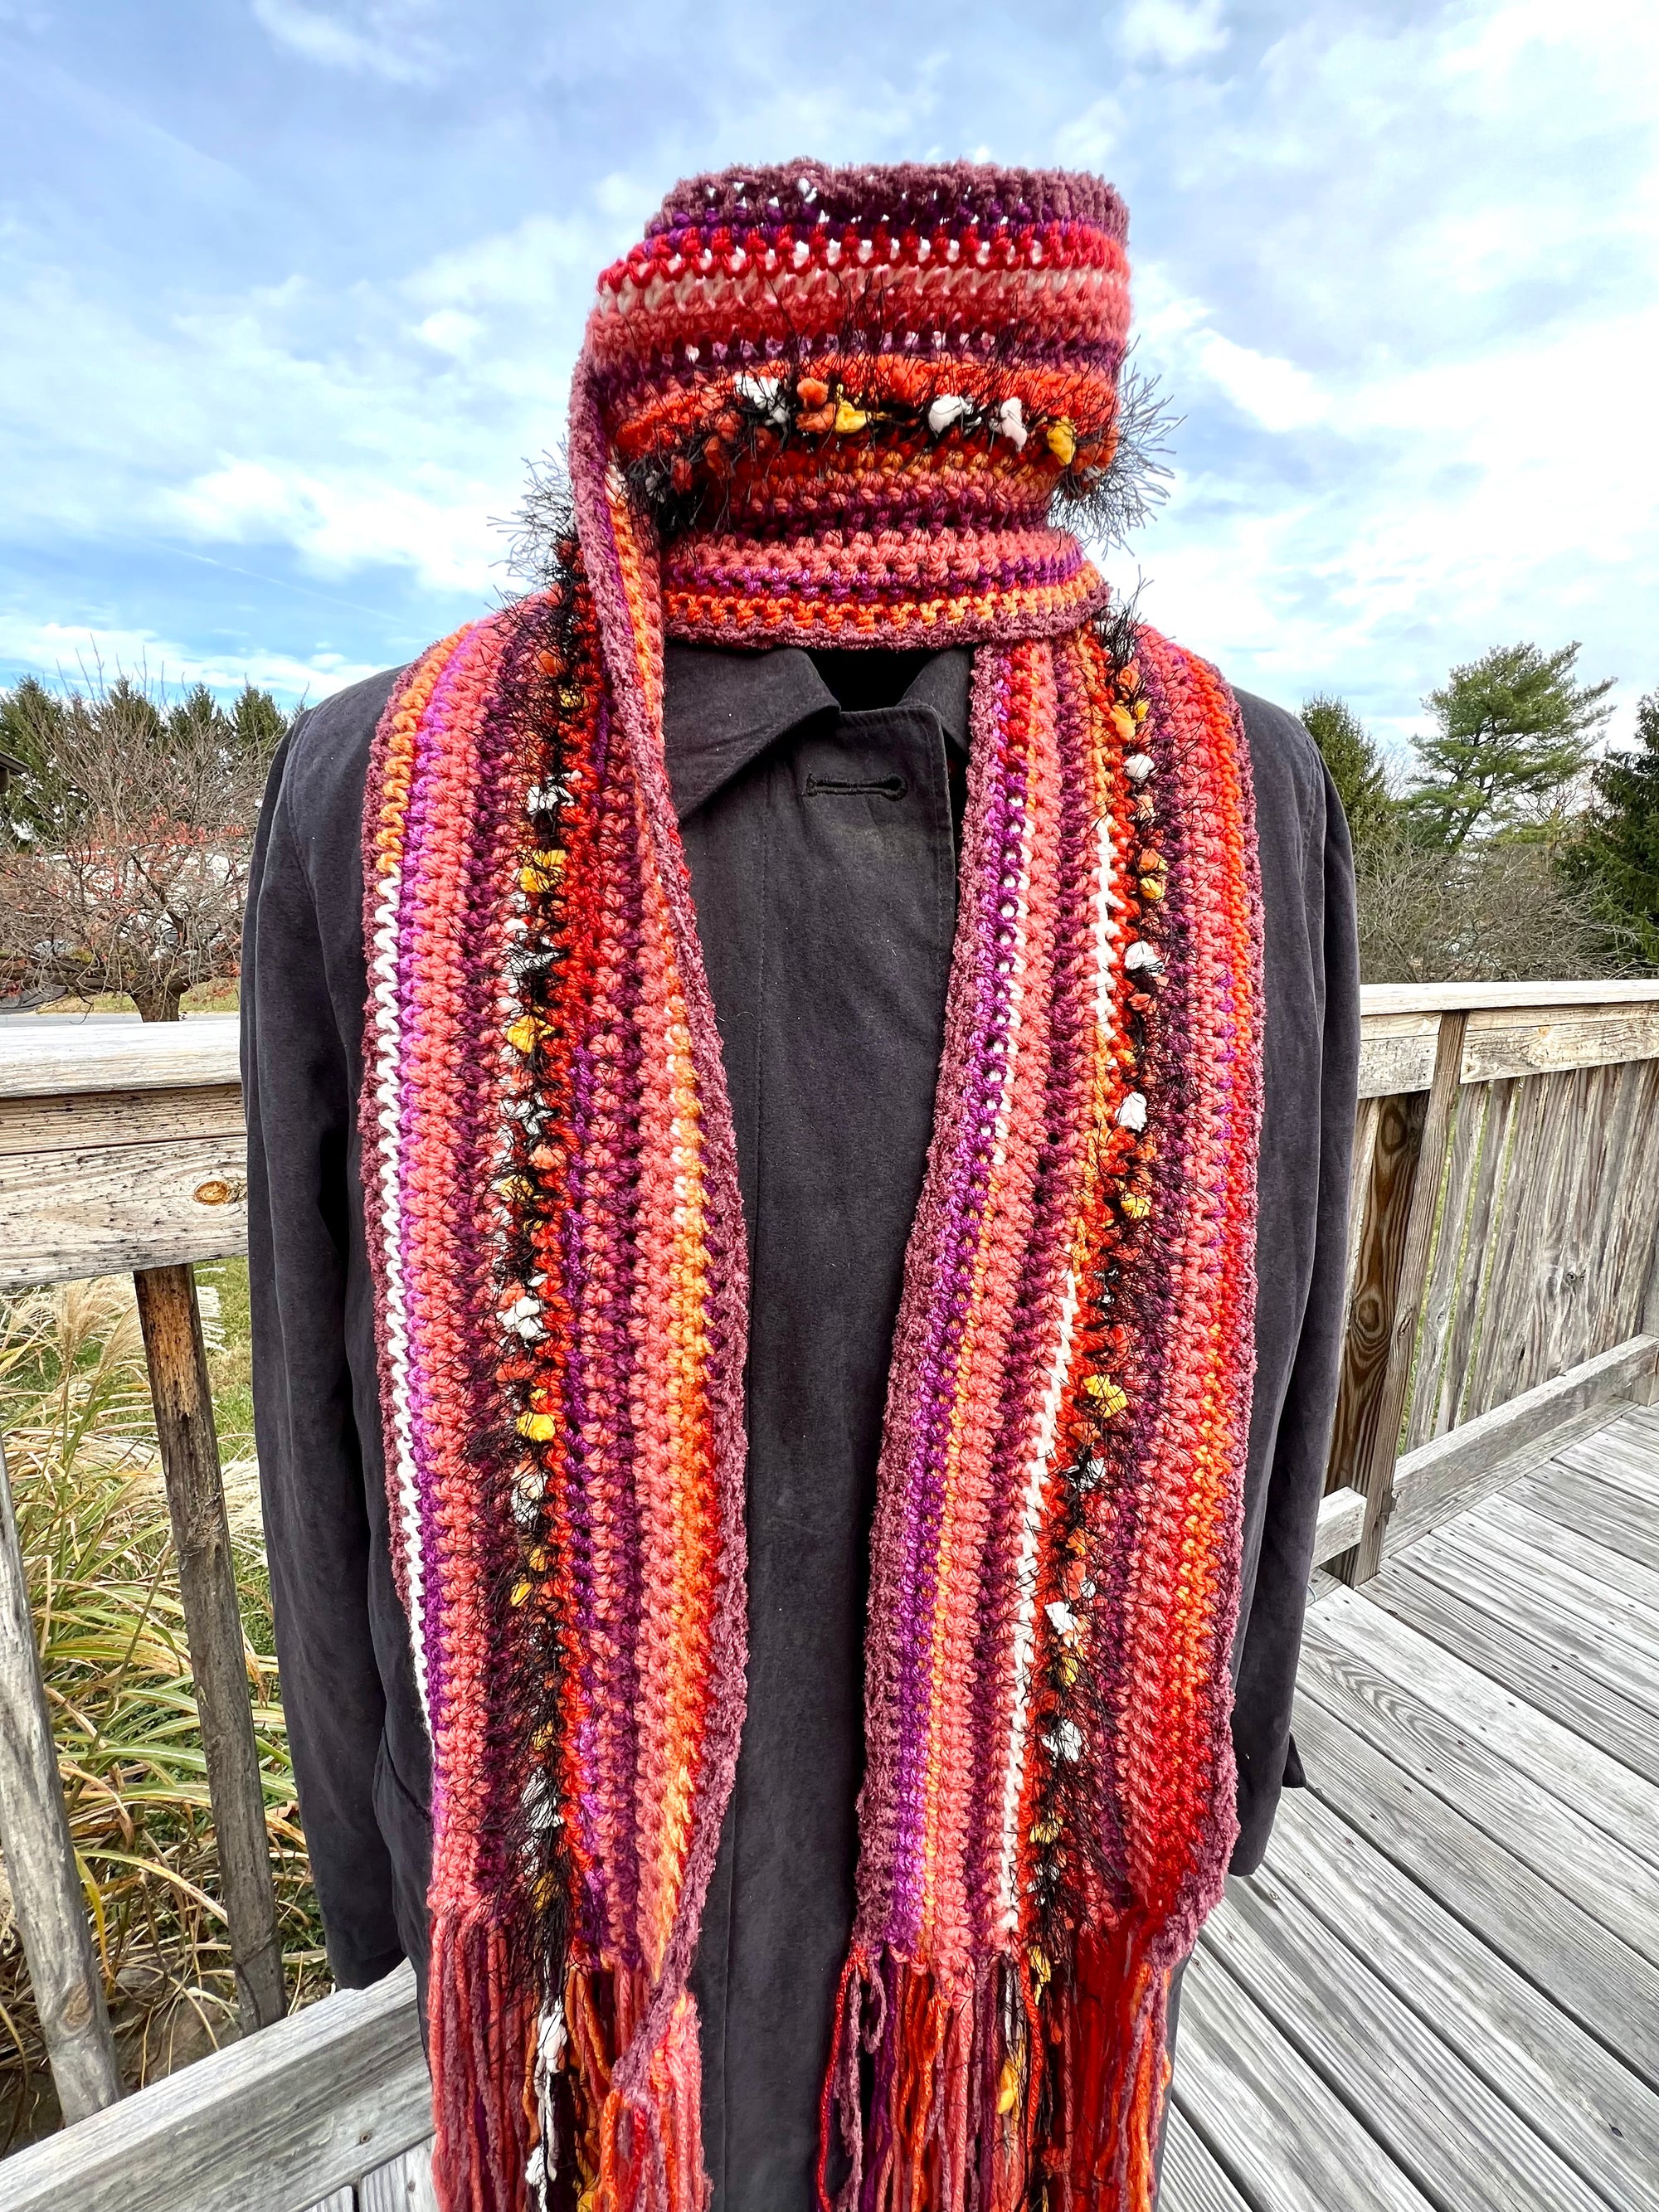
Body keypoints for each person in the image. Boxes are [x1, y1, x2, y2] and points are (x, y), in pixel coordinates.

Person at [243, 160, 1359, 2212]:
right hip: (647, 1969)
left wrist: (385, 1875)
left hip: (965, 1961)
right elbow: (319, 1419)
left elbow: (1274, 1373)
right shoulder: (379, 786)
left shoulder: (1245, 790)